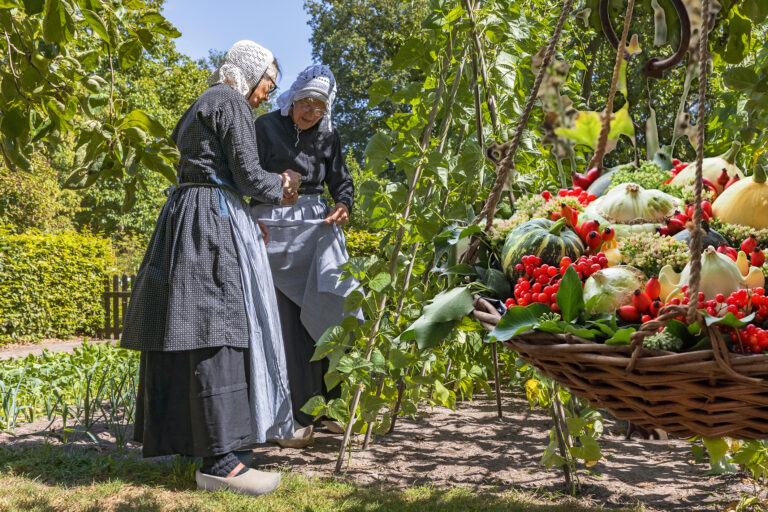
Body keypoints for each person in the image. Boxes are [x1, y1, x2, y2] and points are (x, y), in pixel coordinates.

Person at [121, 40, 301, 496]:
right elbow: (246, 174)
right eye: (268, 83)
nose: (266, 94)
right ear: (251, 72)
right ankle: (221, 464)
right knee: (216, 324)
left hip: (189, 212)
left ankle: (213, 449)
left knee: (190, 325)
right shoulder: (230, 102)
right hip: (209, 220)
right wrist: (282, 186)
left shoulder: (205, 101)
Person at [251, 65, 362, 443]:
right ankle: (292, 416)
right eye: (306, 103)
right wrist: (257, 205)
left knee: (331, 312)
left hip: (315, 229)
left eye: (319, 107)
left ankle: (331, 406)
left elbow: (341, 181)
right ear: (293, 98)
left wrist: (344, 203)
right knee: (287, 326)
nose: (311, 112)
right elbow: (244, 172)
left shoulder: (329, 137)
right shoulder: (265, 127)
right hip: (271, 229)